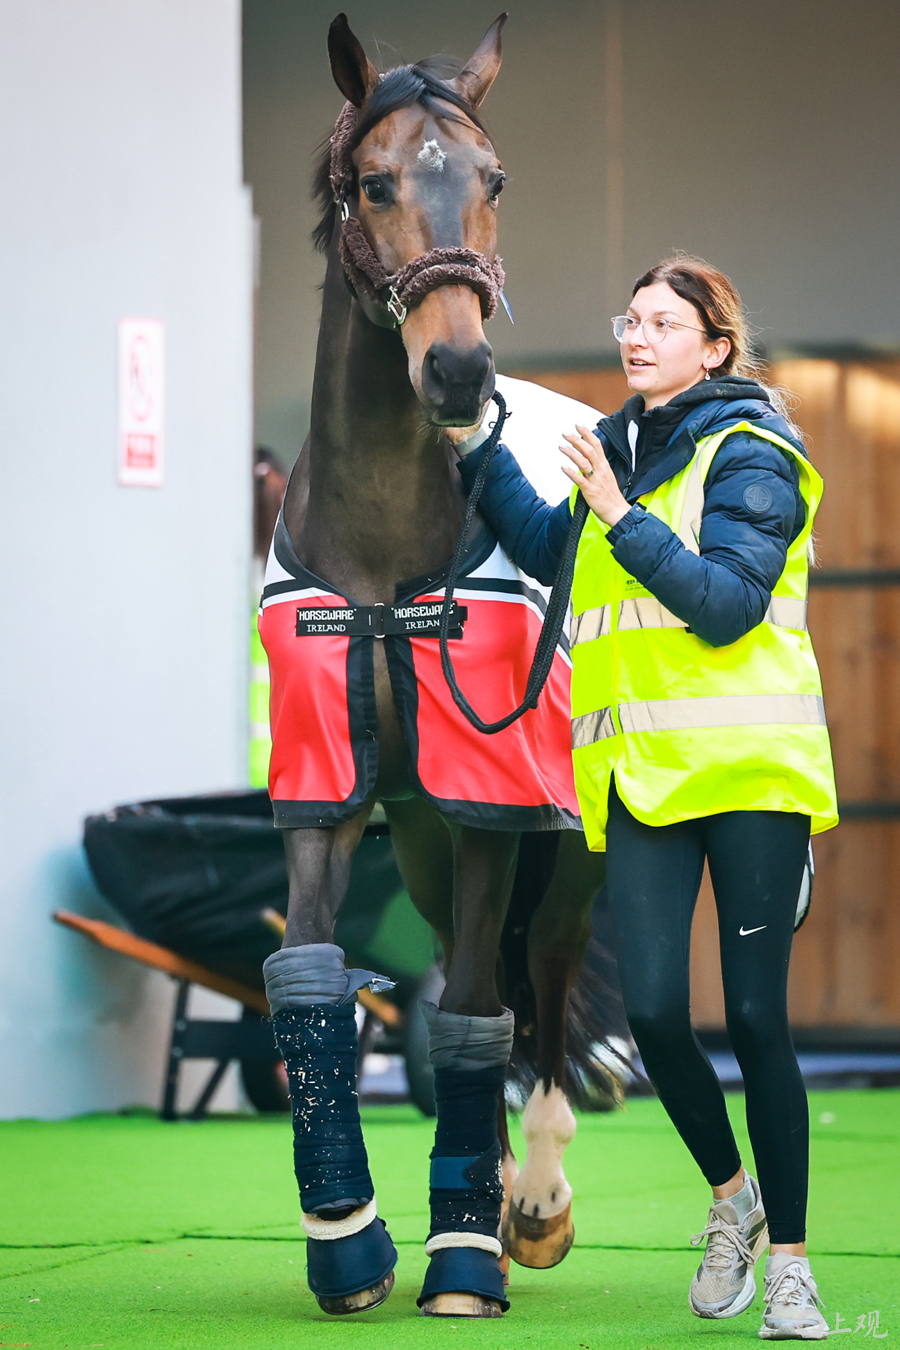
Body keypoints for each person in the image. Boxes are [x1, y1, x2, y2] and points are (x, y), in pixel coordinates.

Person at [450, 255, 838, 1340]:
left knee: (755, 1018)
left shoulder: (755, 450)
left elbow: (726, 605)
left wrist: (619, 510)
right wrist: (477, 445)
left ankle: (792, 1266)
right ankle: (733, 1201)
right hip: (642, 781)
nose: (636, 336)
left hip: (751, 776)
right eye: (630, 319)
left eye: (664, 323)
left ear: (715, 348)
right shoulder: (613, 448)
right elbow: (551, 552)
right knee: (656, 1016)